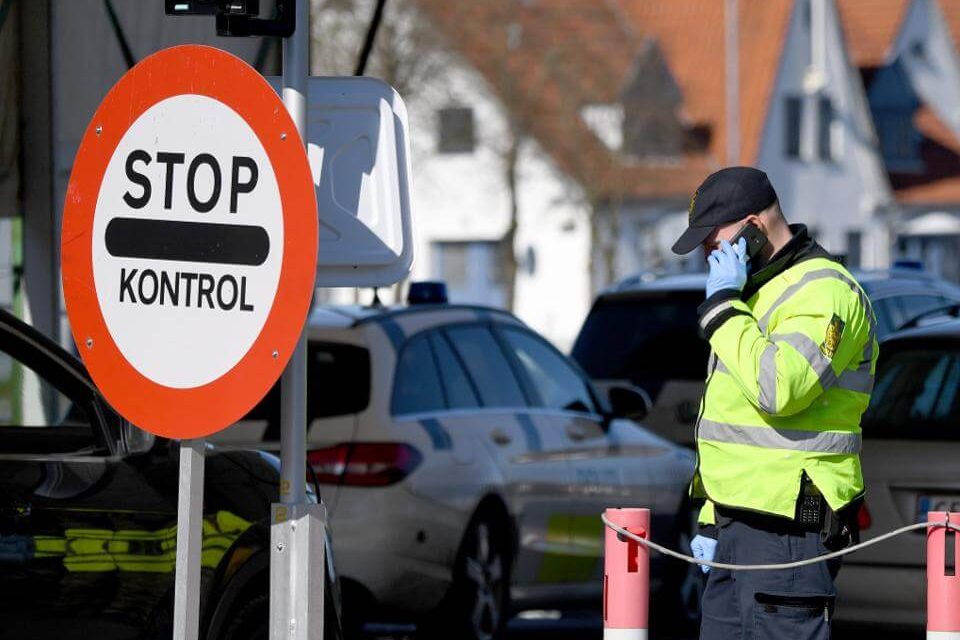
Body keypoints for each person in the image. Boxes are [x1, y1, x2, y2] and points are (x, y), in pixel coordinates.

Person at [671, 167, 877, 640]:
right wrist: (710, 516)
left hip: (790, 530)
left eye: (713, 240)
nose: (708, 254)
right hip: (736, 525)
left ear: (752, 227)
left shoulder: (825, 292)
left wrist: (723, 307)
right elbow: (732, 422)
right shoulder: (755, 292)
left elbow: (780, 388)